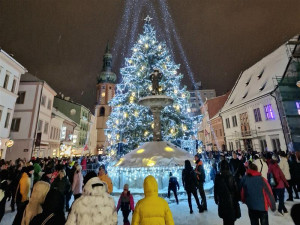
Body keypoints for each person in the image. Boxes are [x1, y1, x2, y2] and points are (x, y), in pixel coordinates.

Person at [214, 160, 241, 225]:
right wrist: (237, 198)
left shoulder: (218, 177)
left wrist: (216, 199)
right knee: (231, 221)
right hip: (232, 202)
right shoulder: (232, 176)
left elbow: (216, 190)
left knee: (225, 220)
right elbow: (236, 190)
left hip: (223, 202)